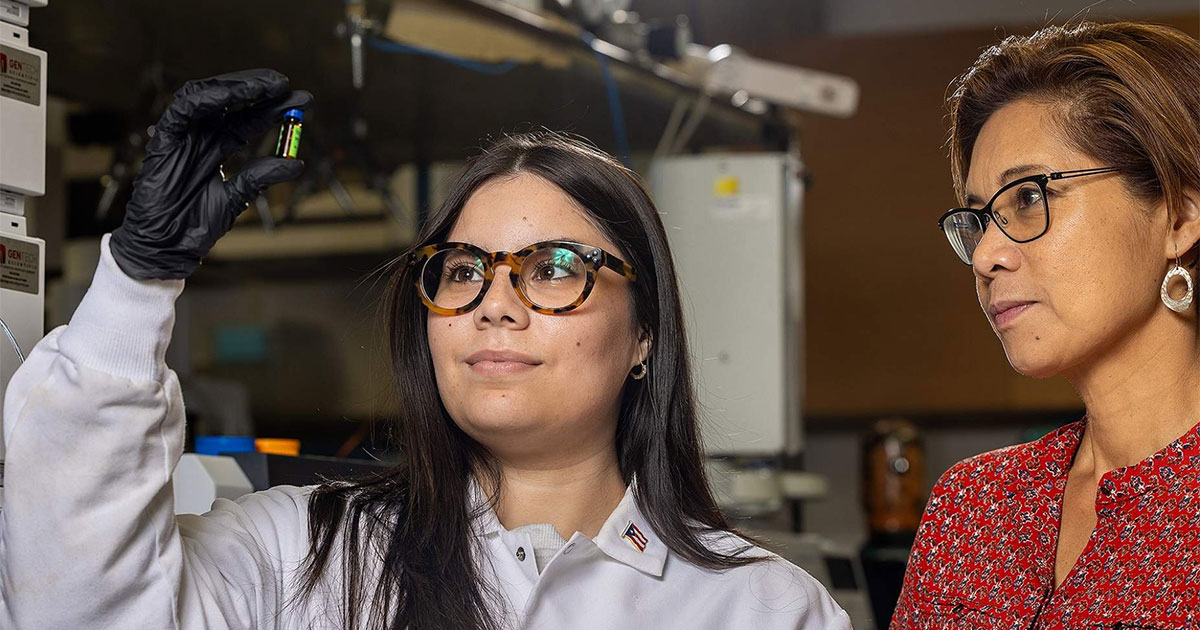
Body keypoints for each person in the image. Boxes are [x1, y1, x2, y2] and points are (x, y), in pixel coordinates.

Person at [0, 69, 850, 630]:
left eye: (554, 270)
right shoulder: (302, 554)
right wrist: (137, 284)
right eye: (461, 269)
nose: (495, 306)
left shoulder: (763, 608)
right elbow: (74, 606)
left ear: (644, 335)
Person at [893, 21, 1200, 629]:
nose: (985, 257)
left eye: (1029, 198)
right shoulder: (975, 509)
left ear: (1178, 214)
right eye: (979, 220)